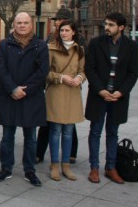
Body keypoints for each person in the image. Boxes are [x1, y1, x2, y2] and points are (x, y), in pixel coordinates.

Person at [0, 12, 49, 187]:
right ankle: (6, 168)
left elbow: (42, 71)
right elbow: (0, 69)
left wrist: (25, 90)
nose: (22, 25)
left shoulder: (40, 45)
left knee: (30, 138)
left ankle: (29, 170)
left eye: (26, 23)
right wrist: (13, 88)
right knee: (7, 137)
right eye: (19, 23)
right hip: (9, 96)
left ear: (31, 25)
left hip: (31, 97)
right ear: (14, 25)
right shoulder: (4, 45)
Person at [85, 12, 138, 184]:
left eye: (111, 25)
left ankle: (111, 167)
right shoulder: (95, 43)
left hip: (118, 98)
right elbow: (90, 69)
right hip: (99, 96)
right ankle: (94, 167)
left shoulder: (130, 46)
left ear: (121, 27)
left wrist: (121, 92)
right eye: (106, 24)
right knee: (95, 131)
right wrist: (100, 90)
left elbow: (133, 73)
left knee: (113, 133)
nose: (106, 28)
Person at [36, 8, 81, 163]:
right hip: (53, 87)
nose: (57, 24)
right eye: (56, 21)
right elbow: (45, 66)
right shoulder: (51, 39)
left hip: (70, 90)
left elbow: (82, 67)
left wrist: (80, 78)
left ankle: (71, 153)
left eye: (59, 20)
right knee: (48, 122)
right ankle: (39, 152)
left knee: (69, 123)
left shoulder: (78, 45)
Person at [45, 20, 85, 181]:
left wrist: (80, 78)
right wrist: (61, 77)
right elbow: (45, 72)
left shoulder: (79, 50)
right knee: (55, 131)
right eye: (61, 30)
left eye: (67, 30)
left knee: (68, 132)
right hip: (56, 91)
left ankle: (66, 165)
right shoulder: (51, 48)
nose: (63, 33)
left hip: (73, 93)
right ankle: (55, 164)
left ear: (73, 32)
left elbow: (83, 70)